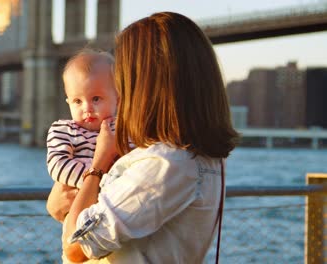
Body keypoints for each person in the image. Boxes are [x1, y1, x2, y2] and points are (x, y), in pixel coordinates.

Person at [53, 12, 239, 263]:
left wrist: (95, 169)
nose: (120, 85)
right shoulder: (192, 155)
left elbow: (76, 246)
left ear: (147, 81)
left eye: (124, 74)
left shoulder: (166, 163)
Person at [46, 49, 118, 222]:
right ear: (68, 103)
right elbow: (58, 164)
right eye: (77, 101)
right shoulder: (64, 130)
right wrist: (94, 182)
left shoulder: (123, 129)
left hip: (113, 212)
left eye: (96, 99)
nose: (87, 108)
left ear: (118, 98)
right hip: (79, 212)